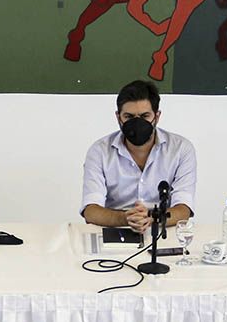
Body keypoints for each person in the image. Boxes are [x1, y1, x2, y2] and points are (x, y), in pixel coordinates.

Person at [81, 80, 195, 232]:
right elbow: (91, 211)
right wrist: (126, 218)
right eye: (128, 116)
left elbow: (183, 210)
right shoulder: (99, 151)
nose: (137, 123)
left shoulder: (181, 149)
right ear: (118, 117)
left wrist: (152, 218)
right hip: (115, 230)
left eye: (144, 116)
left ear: (157, 116)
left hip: (162, 230)